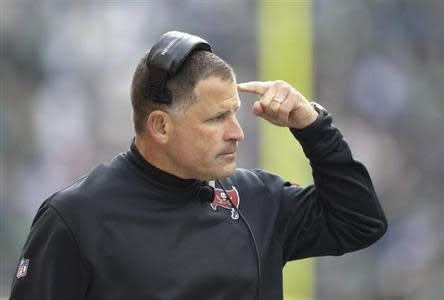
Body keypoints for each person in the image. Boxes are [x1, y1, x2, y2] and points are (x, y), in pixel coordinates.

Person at [10, 31, 387, 300]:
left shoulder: (256, 199)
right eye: (215, 118)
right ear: (160, 125)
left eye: (234, 113)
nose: (237, 133)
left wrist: (313, 127)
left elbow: (360, 222)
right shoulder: (76, 217)